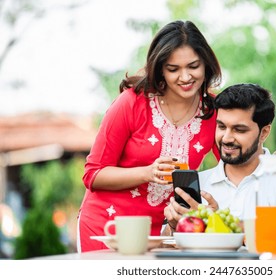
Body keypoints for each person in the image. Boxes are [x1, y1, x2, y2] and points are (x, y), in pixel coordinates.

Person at [77, 20, 223, 252]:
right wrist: (147, 173)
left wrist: (273, 159)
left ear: (206, 64)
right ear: (160, 69)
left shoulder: (213, 111)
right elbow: (93, 174)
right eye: (173, 69)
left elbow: (232, 166)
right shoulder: (132, 103)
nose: (185, 77)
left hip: (164, 236)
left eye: (193, 66)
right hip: (107, 228)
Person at [163, 83, 276, 234]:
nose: (227, 138)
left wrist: (219, 223)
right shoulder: (197, 183)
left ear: (264, 132)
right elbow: (165, 245)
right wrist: (175, 225)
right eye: (222, 127)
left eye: (239, 130)